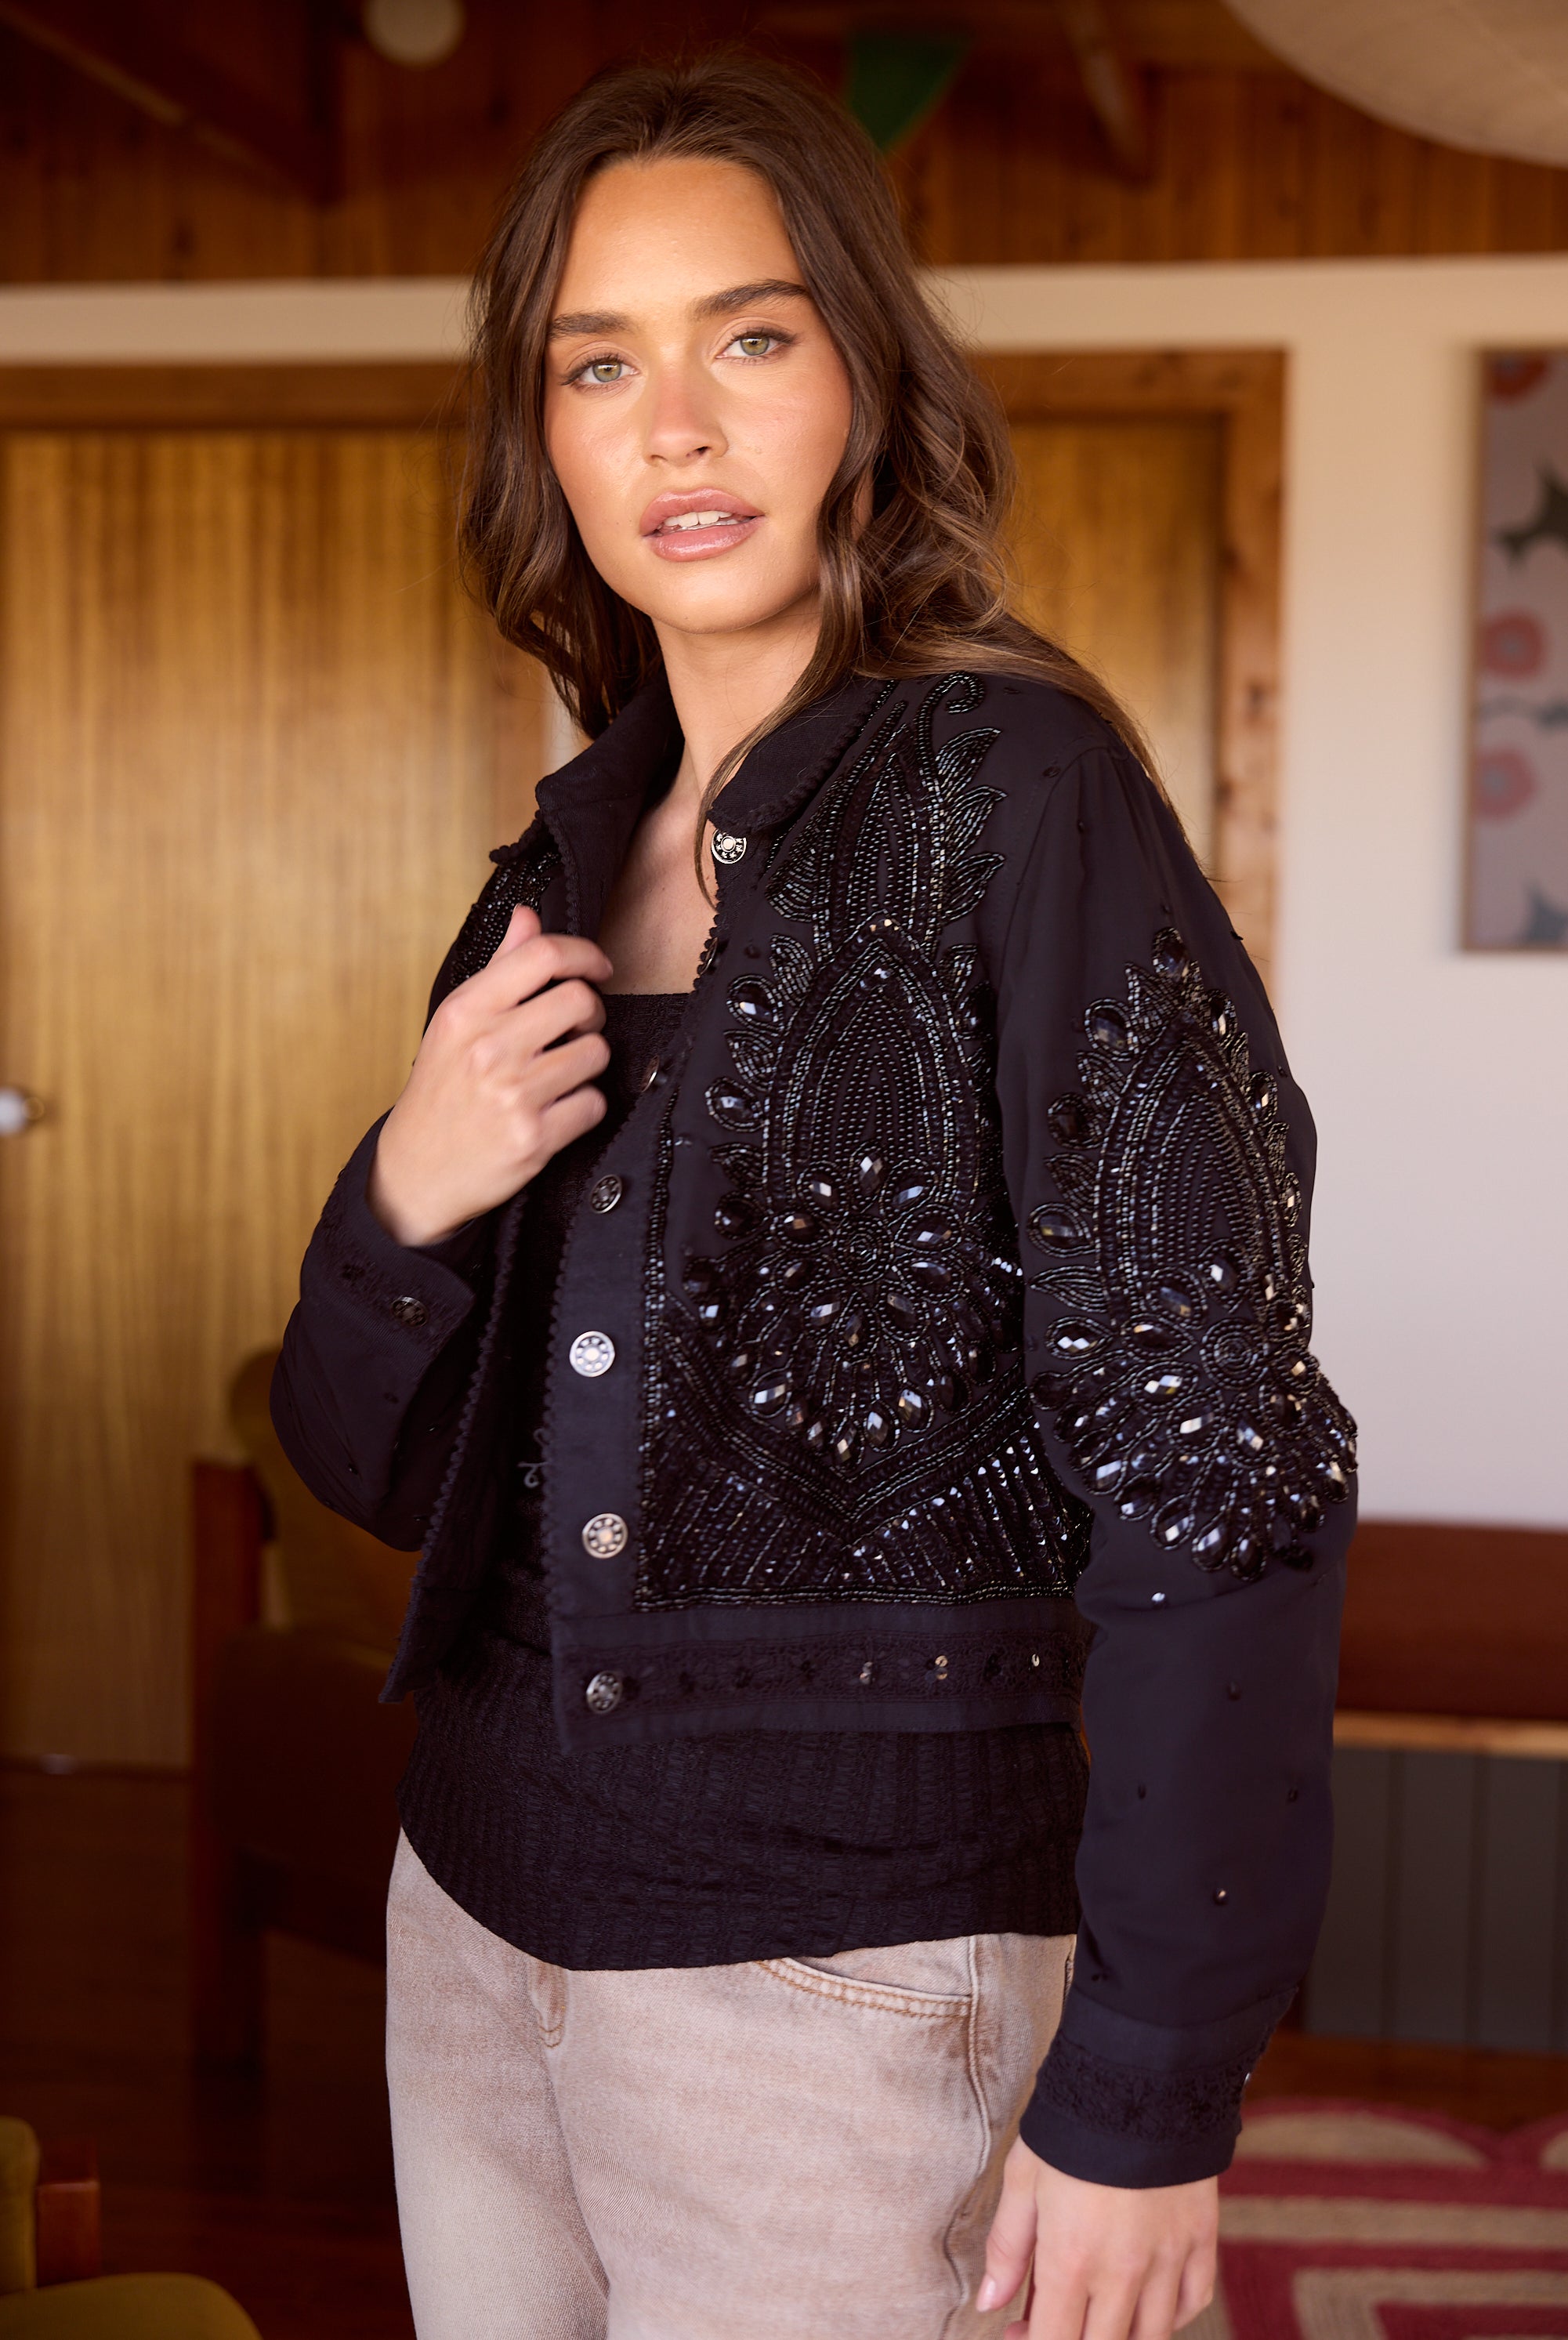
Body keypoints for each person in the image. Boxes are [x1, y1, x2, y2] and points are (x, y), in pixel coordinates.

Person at [271, 51, 1356, 2340]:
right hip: (470, 1922)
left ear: (862, 379)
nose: (674, 427)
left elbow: (1215, 1455)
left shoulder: (1019, 791)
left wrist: (1149, 2082)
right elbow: (377, 1471)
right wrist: (404, 1194)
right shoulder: (557, 864)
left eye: (748, 338)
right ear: (546, 441)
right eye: (598, 364)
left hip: (839, 1980)